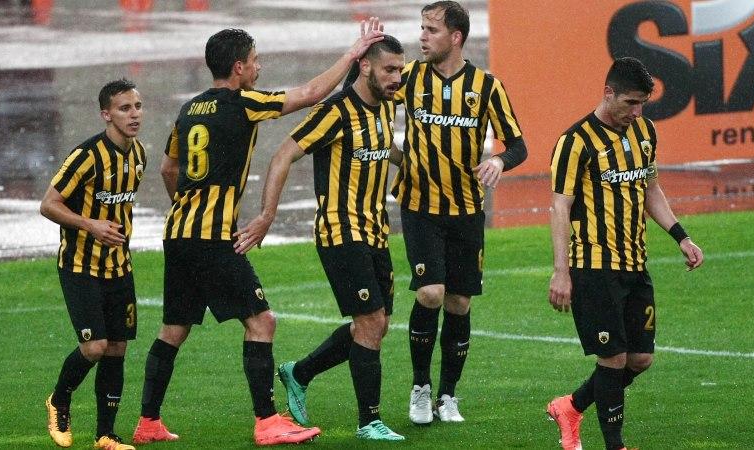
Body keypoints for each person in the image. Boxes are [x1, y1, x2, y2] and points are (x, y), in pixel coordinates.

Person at [132, 21, 385, 447]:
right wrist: (351, 53)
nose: (258, 67)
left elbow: (167, 168)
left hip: (178, 233)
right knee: (262, 321)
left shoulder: (189, 109)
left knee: (173, 328)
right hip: (212, 238)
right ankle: (267, 422)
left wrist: (189, 208)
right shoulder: (244, 103)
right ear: (238, 68)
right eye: (254, 61)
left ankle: (148, 422)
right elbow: (310, 93)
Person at [236, 35, 407, 441]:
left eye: (400, 70)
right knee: (369, 322)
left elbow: (385, 147)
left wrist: (417, 164)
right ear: (365, 67)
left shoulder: (385, 107)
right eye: (389, 69)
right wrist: (267, 216)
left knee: (378, 324)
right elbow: (283, 154)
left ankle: (300, 372)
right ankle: (369, 422)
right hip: (340, 231)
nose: (396, 78)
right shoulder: (335, 111)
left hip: (375, 230)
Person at [546, 57, 704, 450]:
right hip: (594, 266)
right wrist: (561, 271)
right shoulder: (575, 142)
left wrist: (681, 236)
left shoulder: (645, 133)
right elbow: (559, 207)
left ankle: (570, 406)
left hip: (635, 263)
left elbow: (651, 189)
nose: (637, 112)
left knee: (640, 359)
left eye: (642, 104)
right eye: (631, 103)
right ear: (608, 93)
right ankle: (615, 445)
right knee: (613, 359)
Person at [395, 1, 528, 425]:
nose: (422, 37)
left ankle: (448, 395)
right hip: (419, 205)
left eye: (431, 30)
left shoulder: (486, 86)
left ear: (456, 37)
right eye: (422, 28)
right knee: (430, 293)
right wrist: (398, 157)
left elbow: (518, 146)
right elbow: (364, 98)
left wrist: (499, 161)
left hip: (467, 209)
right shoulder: (408, 77)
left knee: (458, 301)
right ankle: (420, 387)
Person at [41, 78, 146, 450]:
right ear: (106, 114)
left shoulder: (139, 155)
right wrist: (91, 225)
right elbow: (48, 204)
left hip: (119, 267)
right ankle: (59, 399)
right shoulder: (86, 156)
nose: (134, 115)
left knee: (117, 348)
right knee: (95, 347)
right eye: (124, 108)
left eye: (137, 106)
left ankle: (106, 434)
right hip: (80, 267)